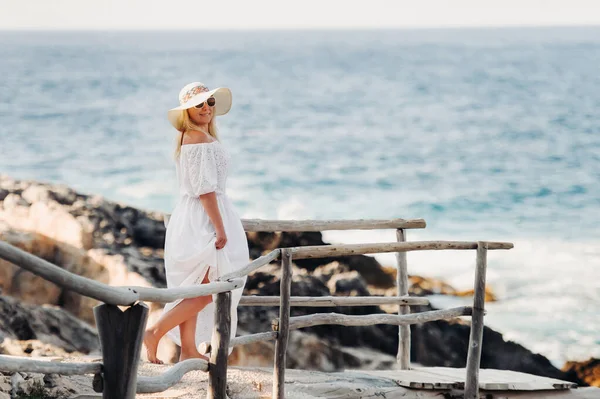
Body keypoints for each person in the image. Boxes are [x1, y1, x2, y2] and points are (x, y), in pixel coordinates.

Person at [143, 82, 249, 364]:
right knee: (209, 285)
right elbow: (205, 189)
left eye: (209, 103)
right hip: (202, 219)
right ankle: (155, 331)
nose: (206, 108)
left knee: (194, 285)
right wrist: (220, 227)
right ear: (187, 110)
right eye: (199, 104)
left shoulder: (195, 136)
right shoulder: (197, 139)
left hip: (194, 216)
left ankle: (188, 350)